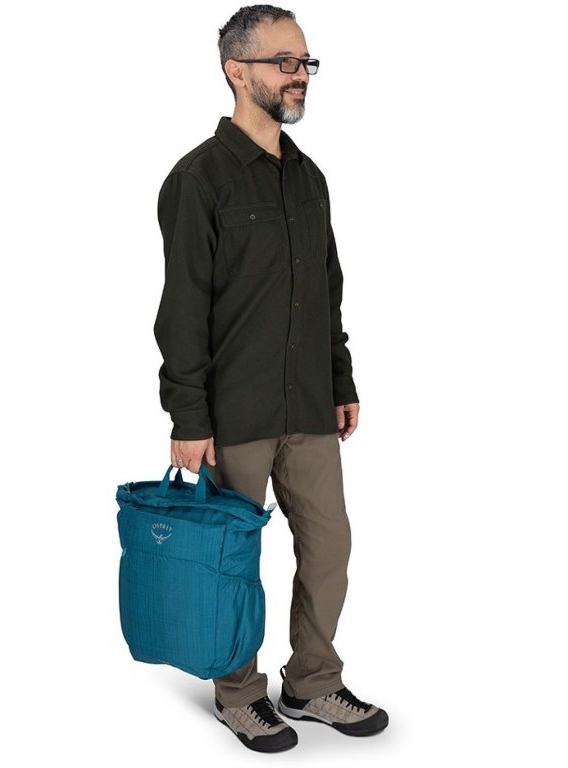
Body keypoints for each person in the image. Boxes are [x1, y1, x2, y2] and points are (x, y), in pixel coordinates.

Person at [152, 5, 388, 752]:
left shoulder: (309, 179)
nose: (300, 76)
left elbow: (326, 291)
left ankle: (313, 683)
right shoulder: (198, 180)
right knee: (230, 561)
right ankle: (239, 694)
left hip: (310, 404)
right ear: (236, 70)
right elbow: (183, 310)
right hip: (234, 413)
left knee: (329, 547)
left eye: (305, 62)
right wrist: (188, 417)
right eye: (284, 62)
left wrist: (340, 378)